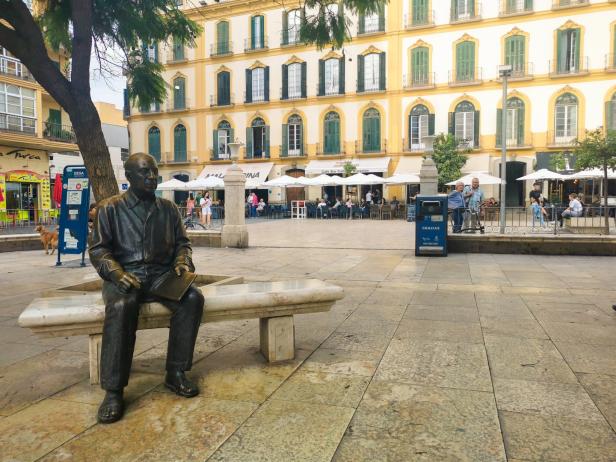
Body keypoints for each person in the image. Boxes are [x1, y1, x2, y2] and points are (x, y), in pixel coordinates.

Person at [89, 153, 204, 424]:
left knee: (192, 299)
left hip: (161, 276)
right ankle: (114, 390)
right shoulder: (110, 208)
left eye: (154, 172)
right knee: (121, 305)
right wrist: (116, 274)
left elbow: (182, 243)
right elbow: (99, 250)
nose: (152, 177)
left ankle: (176, 373)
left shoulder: (168, 208)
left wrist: (181, 261)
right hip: (125, 277)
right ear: (129, 178)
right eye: (145, 173)